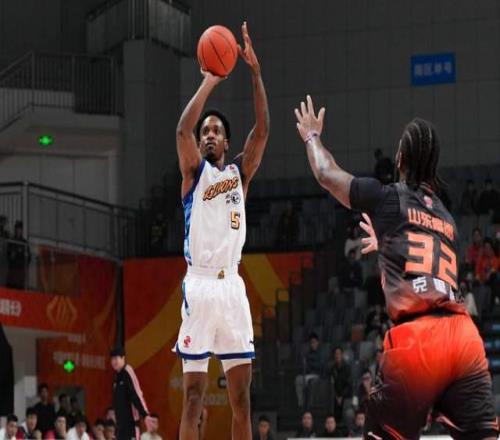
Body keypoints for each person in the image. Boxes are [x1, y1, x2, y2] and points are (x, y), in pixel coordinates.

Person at [295, 101, 498, 438]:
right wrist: (387, 243)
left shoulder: (388, 198)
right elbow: (425, 262)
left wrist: (312, 137)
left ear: (400, 158)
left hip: (420, 341)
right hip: (464, 339)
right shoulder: (448, 219)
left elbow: (326, 173)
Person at [174, 22, 269, 440]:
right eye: (206, 131)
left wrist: (255, 73)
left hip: (231, 287)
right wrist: (211, 80)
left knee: (241, 399)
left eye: (216, 131)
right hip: (198, 286)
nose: (209, 134)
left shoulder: (238, 174)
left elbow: (262, 132)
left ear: (227, 142)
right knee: (193, 399)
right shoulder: (193, 173)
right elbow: (182, 129)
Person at [110, 347, 154, 440]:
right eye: (112, 359)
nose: (114, 362)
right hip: (120, 428)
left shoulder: (128, 371)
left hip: (131, 426)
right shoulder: (116, 378)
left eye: (116, 358)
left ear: (123, 358)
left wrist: (145, 415)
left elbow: (137, 394)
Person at [295, 333, 324, 408]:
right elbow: (306, 366)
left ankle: (310, 405)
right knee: (298, 379)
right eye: (311, 343)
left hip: (317, 375)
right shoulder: (308, 354)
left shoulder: (321, 353)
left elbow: (320, 365)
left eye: (314, 342)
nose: (313, 344)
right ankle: (301, 404)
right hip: (308, 374)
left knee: (308, 380)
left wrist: (311, 365)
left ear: (317, 343)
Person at [328, 347, 352, 423]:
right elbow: (331, 384)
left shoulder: (347, 368)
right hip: (335, 396)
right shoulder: (332, 368)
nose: (337, 356)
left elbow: (349, 384)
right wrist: (336, 396)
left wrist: (341, 396)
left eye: (339, 354)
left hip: (346, 395)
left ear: (342, 355)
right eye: (336, 354)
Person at [6, 220, 30, 289]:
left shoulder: (24, 243)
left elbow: (28, 258)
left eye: (20, 229)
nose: (18, 231)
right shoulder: (11, 241)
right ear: (15, 230)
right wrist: (12, 255)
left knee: (19, 289)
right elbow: (8, 255)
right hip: (12, 271)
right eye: (17, 229)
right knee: (10, 288)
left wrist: (24, 262)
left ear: (22, 230)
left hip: (20, 272)